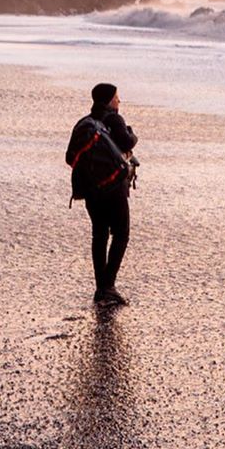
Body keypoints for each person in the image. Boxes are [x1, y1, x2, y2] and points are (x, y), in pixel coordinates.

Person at [82, 82, 138, 307]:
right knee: (121, 234)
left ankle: (101, 287)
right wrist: (132, 134)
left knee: (100, 235)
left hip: (92, 189)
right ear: (108, 100)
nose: (119, 101)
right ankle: (108, 286)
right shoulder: (114, 119)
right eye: (117, 97)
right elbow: (127, 141)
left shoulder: (89, 121)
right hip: (114, 188)